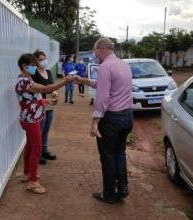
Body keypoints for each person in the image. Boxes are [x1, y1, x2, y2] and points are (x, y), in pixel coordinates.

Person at [75, 38, 133, 203]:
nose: (95, 56)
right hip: (127, 117)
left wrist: (95, 122)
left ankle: (109, 194)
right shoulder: (123, 65)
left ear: (101, 49)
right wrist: (84, 81)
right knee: (119, 153)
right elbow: (105, 86)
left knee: (108, 156)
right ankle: (122, 187)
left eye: (95, 52)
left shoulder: (105, 67)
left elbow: (102, 97)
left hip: (112, 120)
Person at [15, 53, 73, 194]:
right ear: (24, 66)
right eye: (33, 65)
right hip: (31, 119)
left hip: (31, 117)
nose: (35, 67)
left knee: (30, 146)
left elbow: (30, 99)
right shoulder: (25, 82)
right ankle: (33, 182)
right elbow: (47, 89)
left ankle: (27, 173)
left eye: (36, 65)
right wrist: (65, 82)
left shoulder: (25, 79)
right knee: (37, 149)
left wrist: (45, 101)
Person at [32, 50, 57, 165]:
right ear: (35, 61)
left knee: (46, 130)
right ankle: (38, 153)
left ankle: (45, 150)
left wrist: (54, 91)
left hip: (49, 104)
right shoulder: (33, 71)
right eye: (40, 59)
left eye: (44, 58)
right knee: (39, 131)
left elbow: (51, 85)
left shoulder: (48, 71)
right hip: (39, 104)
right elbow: (29, 83)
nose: (43, 61)